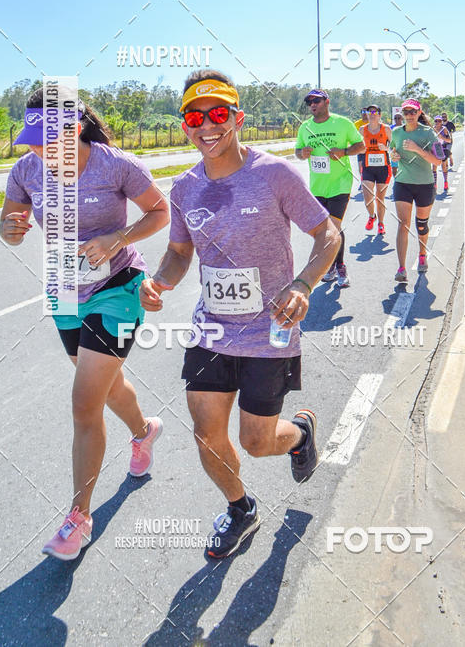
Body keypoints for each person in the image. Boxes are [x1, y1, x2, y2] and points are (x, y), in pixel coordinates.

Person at [140, 71, 340, 560]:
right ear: (184, 125)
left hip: (269, 333)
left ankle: (300, 434)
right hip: (210, 329)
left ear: (237, 118)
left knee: (255, 442)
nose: (206, 125)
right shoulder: (184, 187)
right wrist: (161, 280)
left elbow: (328, 234)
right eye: (195, 116)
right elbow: (180, 253)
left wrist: (303, 284)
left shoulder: (274, 174)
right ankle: (240, 509)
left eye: (218, 114)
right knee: (207, 438)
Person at [0, 88, 170, 560]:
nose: (36, 151)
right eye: (30, 141)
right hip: (63, 288)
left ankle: (79, 517)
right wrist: (9, 229)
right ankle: (145, 431)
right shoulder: (27, 169)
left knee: (82, 402)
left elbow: (160, 211)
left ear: (74, 130)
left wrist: (119, 236)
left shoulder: (116, 165)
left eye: (45, 141)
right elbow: (9, 219)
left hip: (118, 286)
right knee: (103, 384)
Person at [295, 89, 364, 288]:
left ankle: (340, 266)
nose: (312, 105)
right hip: (317, 186)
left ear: (326, 101)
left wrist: (343, 151)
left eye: (316, 100)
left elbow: (361, 146)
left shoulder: (342, 123)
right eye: (309, 102)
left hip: (340, 183)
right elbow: (297, 151)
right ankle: (332, 265)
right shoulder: (305, 128)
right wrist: (303, 153)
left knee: (333, 227)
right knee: (323, 230)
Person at [390, 99, 443, 282]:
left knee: (421, 225)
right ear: (402, 114)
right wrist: (394, 156)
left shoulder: (429, 133)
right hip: (403, 182)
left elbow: (438, 161)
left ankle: (422, 254)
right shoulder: (396, 132)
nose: (410, 115)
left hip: (424, 184)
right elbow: (393, 152)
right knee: (403, 224)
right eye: (406, 112)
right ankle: (401, 268)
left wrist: (417, 149)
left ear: (419, 113)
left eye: (413, 111)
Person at [361, 105, 392, 235]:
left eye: (375, 112)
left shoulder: (386, 129)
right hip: (368, 166)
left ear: (379, 115)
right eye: (369, 111)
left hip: (383, 167)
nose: (372, 114)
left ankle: (381, 223)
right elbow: (359, 148)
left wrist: (386, 148)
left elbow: (394, 146)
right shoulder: (362, 129)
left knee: (380, 198)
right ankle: (371, 216)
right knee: (367, 196)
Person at [433, 115, 452, 192]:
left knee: (443, 167)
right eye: (436, 121)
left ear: (441, 122)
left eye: (439, 121)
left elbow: (449, 140)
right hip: (434, 148)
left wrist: (442, 137)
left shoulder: (444, 129)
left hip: (442, 148)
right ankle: (434, 185)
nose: (438, 122)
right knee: (434, 168)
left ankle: (445, 182)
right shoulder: (432, 129)